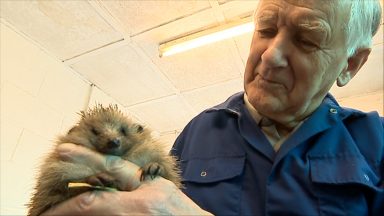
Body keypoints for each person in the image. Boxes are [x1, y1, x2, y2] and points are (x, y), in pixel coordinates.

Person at [42, 0, 383, 215]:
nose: (270, 55)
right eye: (265, 28)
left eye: (307, 39)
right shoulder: (197, 133)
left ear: (350, 63)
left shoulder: (376, 142)